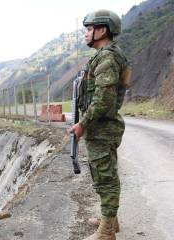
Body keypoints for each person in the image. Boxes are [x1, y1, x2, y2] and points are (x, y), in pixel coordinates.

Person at [69, 9, 131, 240]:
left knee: (105, 178)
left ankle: (106, 232)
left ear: (102, 30)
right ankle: (110, 220)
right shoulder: (105, 55)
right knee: (103, 175)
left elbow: (103, 99)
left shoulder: (107, 57)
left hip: (103, 128)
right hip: (102, 128)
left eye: (89, 29)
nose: (86, 34)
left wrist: (82, 124)